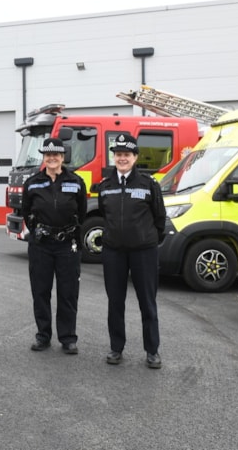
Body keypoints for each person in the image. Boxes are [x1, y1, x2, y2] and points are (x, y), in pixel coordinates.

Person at [96, 133, 167, 368]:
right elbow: (105, 216)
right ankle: (116, 348)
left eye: (127, 154)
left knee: (147, 302)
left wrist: (147, 240)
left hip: (143, 252)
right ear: (114, 157)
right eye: (118, 154)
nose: (122, 158)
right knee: (115, 302)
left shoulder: (149, 184)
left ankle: (152, 351)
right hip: (114, 252)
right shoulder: (105, 187)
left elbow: (159, 217)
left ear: (135, 157)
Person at [23, 138, 87, 354]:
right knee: (40, 291)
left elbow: (82, 212)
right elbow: (26, 212)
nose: (52, 158)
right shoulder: (32, 183)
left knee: (68, 292)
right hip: (41, 245)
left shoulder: (76, 181)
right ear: (44, 157)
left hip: (67, 245)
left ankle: (68, 337)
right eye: (48, 154)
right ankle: (43, 335)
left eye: (56, 154)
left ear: (62, 157)